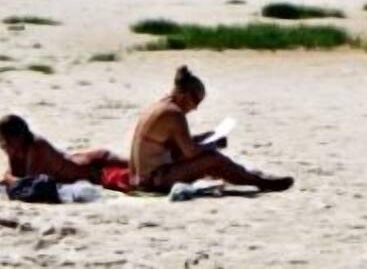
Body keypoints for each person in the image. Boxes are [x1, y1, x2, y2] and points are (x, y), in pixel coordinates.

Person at [129, 66, 293, 193]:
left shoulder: (160, 106)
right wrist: (213, 143)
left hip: (140, 178)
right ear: (186, 96)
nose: (195, 108)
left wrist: (207, 137)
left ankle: (253, 177)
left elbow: (177, 145)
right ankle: (260, 182)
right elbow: (190, 152)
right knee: (213, 159)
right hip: (153, 180)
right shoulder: (174, 113)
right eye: (196, 102)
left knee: (211, 158)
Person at [1, 114, 126, 187]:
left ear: (18, 137)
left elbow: (28, 182)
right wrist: (9, 178)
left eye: (7, 141)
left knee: (138, 168)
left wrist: (9, 178)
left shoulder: (37, 145)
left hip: (95, 165)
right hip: (81, 164)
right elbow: (12, 176)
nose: (4, 146)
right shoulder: (16, 150)